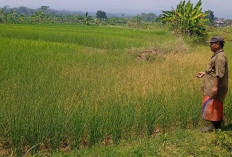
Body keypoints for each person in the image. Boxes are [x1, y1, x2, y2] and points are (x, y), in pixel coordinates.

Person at [197, 36, 228, 133]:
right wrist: (204, 73)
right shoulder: (217, 55)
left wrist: (215, 87)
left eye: (211, 43)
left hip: (214, 86)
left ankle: (210, 127)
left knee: (211, 105)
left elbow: (219, 74)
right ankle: (217, 126)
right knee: (215, 105)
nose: (210, 45)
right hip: (212, 85)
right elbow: (214, 70)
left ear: (218, 44)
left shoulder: (220, 57)